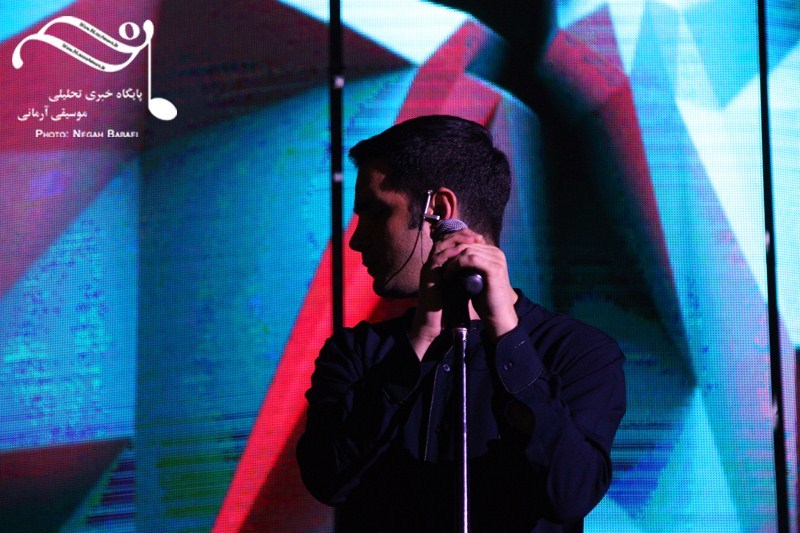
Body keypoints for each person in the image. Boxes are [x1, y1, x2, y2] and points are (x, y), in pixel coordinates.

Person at [296, 115, 626, 532]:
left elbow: (570, 495)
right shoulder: (357, 353)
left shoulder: (578, 351)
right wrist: (420, 339)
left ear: (438, 211)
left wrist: (508, 337)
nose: (357, 240)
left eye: (377, 213)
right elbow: (327, 479)